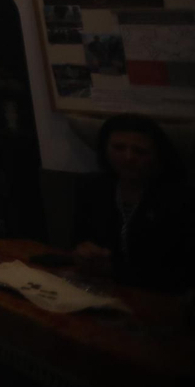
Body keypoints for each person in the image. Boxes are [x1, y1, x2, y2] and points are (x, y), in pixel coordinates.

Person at [72, 114, 192, 293]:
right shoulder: (92, 187)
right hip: (99, 288)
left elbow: (180, 269)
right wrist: (84, 252)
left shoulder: (179, 197)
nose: (128, 157)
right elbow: (78, 239)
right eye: (118, 148)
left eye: (140, 151)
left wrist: (116, 270)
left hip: (157, 295)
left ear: (157, 155)